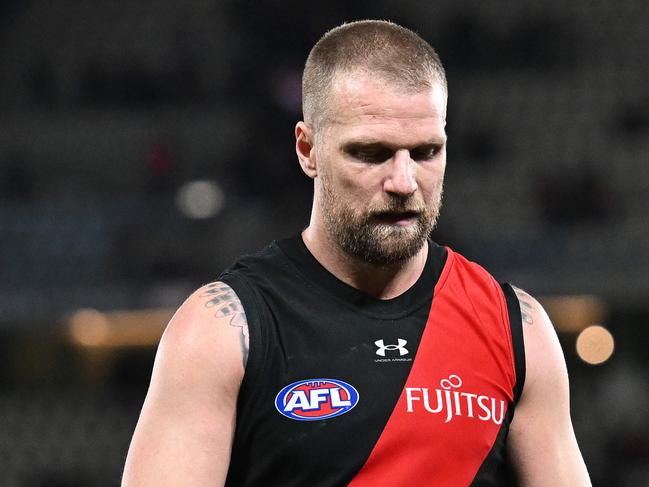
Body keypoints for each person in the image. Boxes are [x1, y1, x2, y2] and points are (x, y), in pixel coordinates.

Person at [122, 20, 591, 486]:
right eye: (371, 153)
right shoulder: (221, 331)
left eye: (427, 151)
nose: (404, 183)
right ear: (308, 150)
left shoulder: (516, 328)